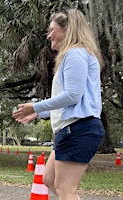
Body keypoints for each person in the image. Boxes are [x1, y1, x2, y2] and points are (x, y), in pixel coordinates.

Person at [12, 9, 104, 200]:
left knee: (65, 189)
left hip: (78, 128)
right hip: (72, 128)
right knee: (50, 179)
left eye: (52, 29)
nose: (49, 35)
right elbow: (71, 101)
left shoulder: (75, 53)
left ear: (67, 30)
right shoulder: (77, 54)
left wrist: (36, 107)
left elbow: (72, 96)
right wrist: (39, 114)